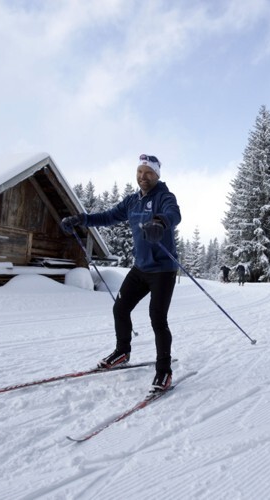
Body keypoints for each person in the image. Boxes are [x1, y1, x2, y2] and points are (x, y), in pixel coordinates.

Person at [60, 154, 182, 393]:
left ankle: (164, 371)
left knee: (157, 318)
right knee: (120, 307)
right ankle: (122, 351)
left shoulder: (165, 197)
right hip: (140, 268)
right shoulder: (132, 202)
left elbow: (174, 214)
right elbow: (107, 216)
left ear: (157, 175)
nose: (142, 177)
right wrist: (80, 220)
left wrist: (160, 223)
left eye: (148, 173)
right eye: (139, 172)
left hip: (163, 270)